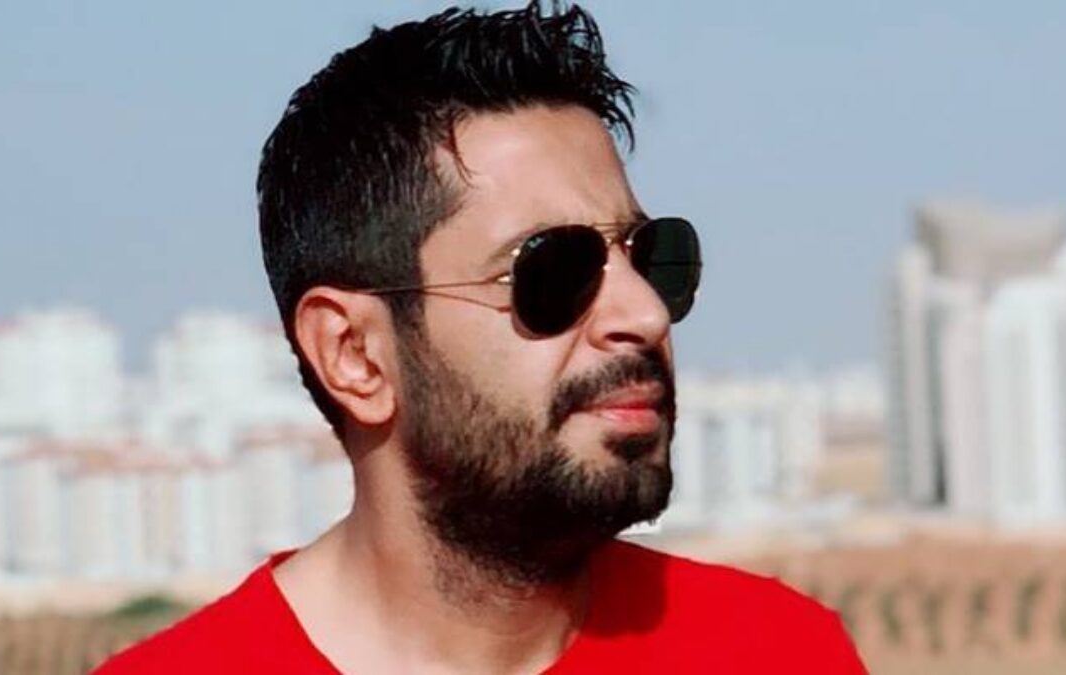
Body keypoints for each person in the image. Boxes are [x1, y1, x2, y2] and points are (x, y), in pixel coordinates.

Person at [96, 2, 866, 673]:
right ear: (353, 354)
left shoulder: (777, 650)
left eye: (647, 255)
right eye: (553, 270)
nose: (643, 314)